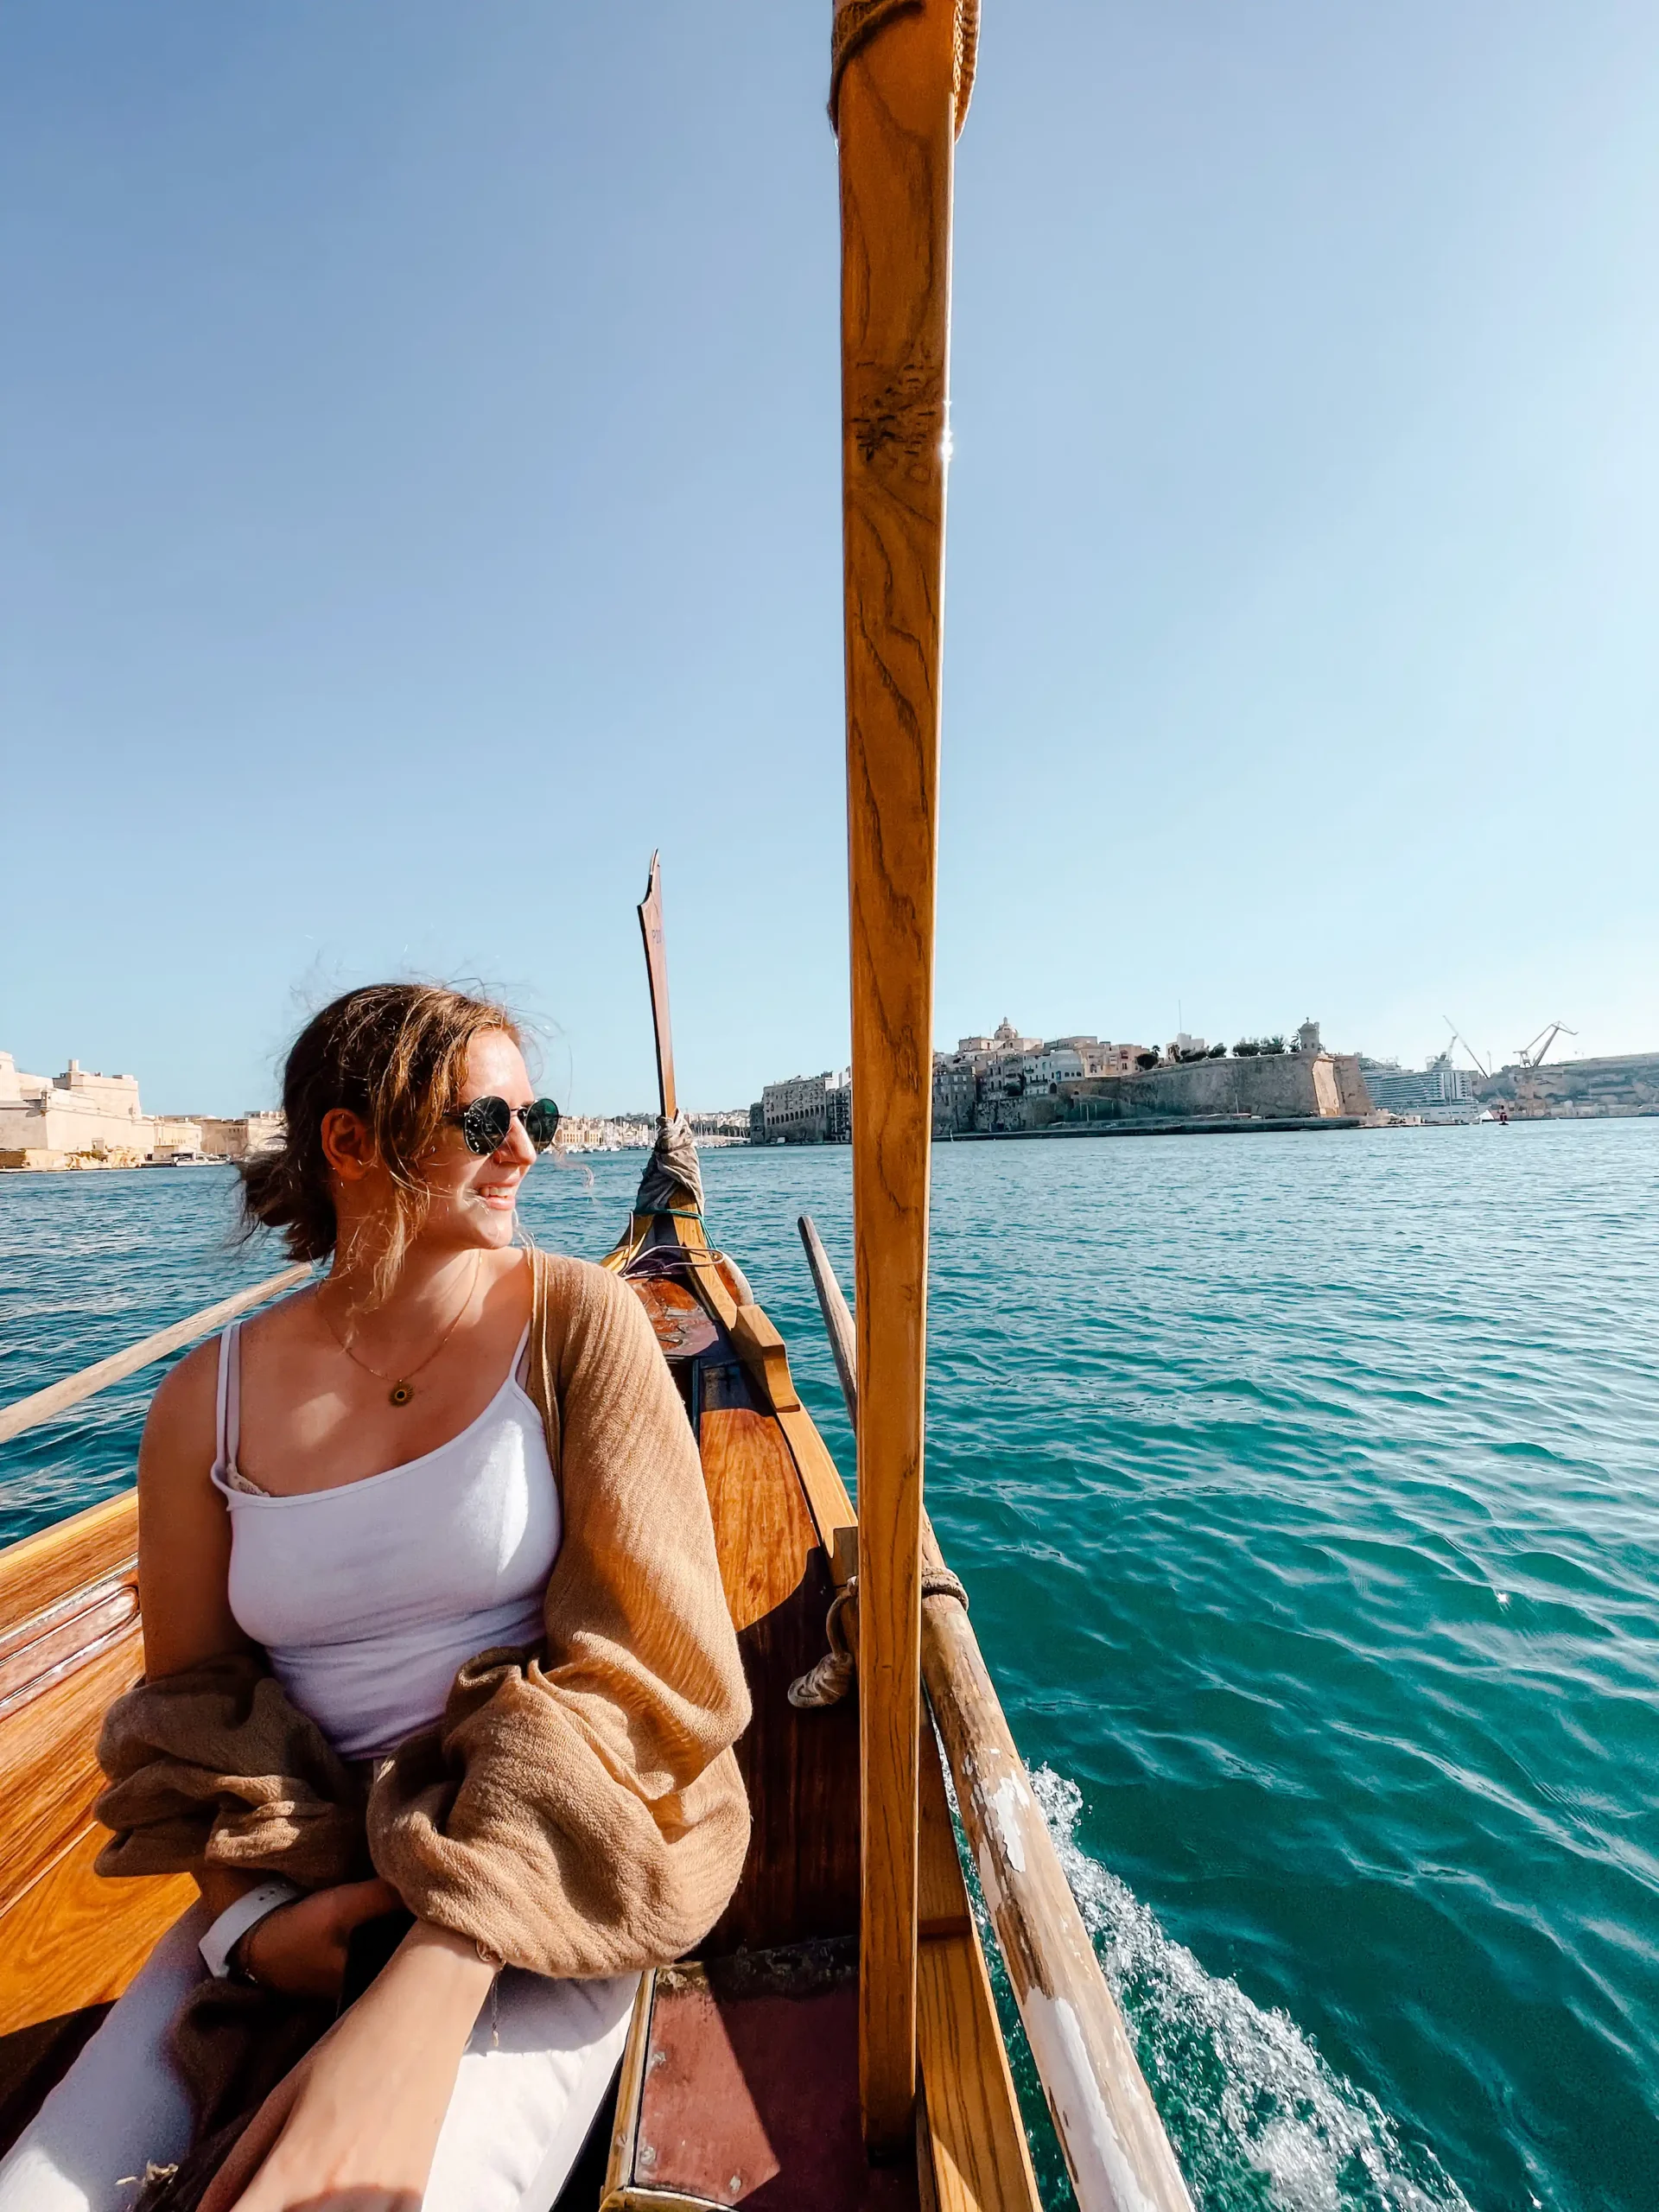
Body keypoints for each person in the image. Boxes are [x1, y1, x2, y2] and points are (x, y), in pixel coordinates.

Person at [0, 984, 751, 2212]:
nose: (526, 1150)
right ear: (350, 1144)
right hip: (293, 1872)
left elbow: (646, 1671)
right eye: (485, 1120)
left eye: (538, 1115)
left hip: (548, 1860)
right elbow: (189, 1708)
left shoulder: (581, 1323)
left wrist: (438, 1965)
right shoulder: (208, 1400)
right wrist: (249, 1928)